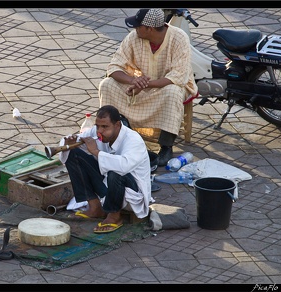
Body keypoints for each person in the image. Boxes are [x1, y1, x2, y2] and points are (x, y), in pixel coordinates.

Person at [98, 8, 198, 166]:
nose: (135, 29)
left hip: (169, 87)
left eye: (138, 26)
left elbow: (177, 76)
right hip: (141, 85)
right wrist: (133, 81)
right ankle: (121, 134)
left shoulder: (179, 38)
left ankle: (166, 146)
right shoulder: (134, 37)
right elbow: (114, 67)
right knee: (107, 85)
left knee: (172, 92)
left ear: (149, 28)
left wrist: (144, 84)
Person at [59, 105, 152, 233]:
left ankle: (114, 216)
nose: (99, 131)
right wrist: (68, 144)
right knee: (73, 153)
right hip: (108, 185)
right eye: (98, 126)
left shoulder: (133, 140)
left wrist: (96, 151)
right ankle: (95, 207)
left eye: (105, 127)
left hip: (131, 192)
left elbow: (124, 166)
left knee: (116, 170)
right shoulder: (97, 132)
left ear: (117, 125)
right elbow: (76, 139)